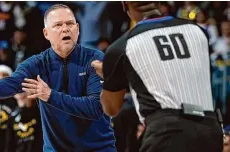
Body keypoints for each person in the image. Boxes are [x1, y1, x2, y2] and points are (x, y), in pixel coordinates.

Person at [0, 4, 116, 152]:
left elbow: (95, 108)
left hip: (98, 148)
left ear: (78, 29)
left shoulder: (95, 59)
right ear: (46, 33)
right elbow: (15, 82)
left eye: (70, 23)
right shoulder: (37, 63)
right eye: (58, 25)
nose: (65, 29)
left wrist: (50, 96)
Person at [92, 2, 223, 152]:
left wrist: (108, 76)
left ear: (124, 4)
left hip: (166, 133)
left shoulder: (121, 46)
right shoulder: (198, 32)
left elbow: (111, 108)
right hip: (211, 130)